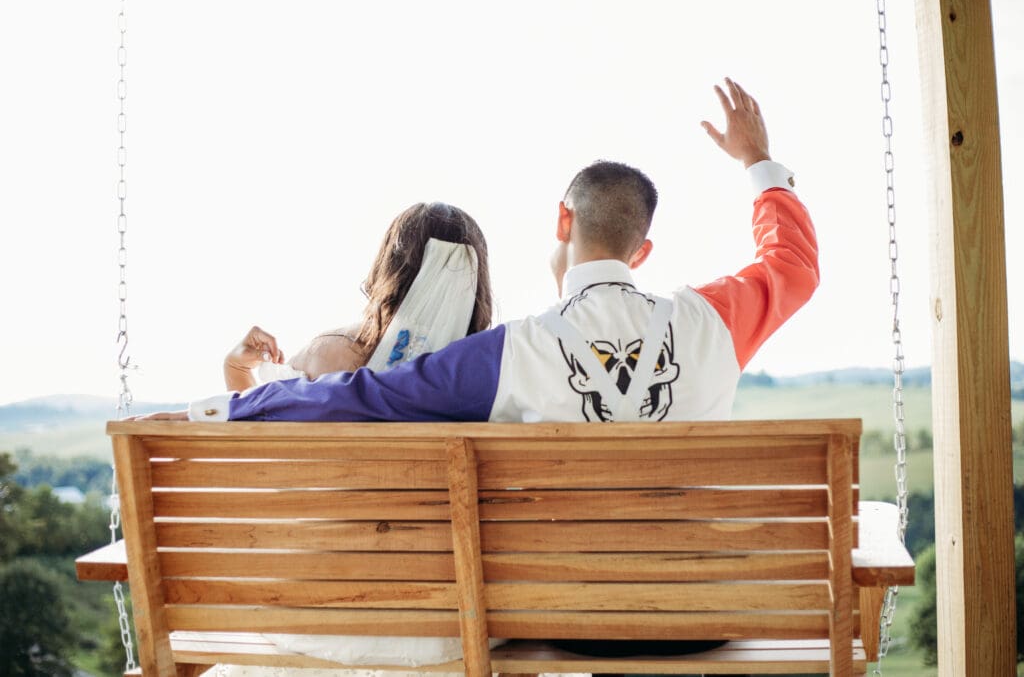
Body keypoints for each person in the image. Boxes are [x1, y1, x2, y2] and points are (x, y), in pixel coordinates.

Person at [143, 78, 815, 676]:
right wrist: (759, 163)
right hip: (706, 615)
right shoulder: (712, 321)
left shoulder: (511, 353)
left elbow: (362, 396)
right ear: (643, 251)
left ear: (563, 219)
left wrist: (227, 407)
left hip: (572, 619)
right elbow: (793, 265)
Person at [221, 201, 494, 390]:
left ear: (390, 268)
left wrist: (237, 369)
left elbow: (262, 435)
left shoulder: (332, 355)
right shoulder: (488, 371)